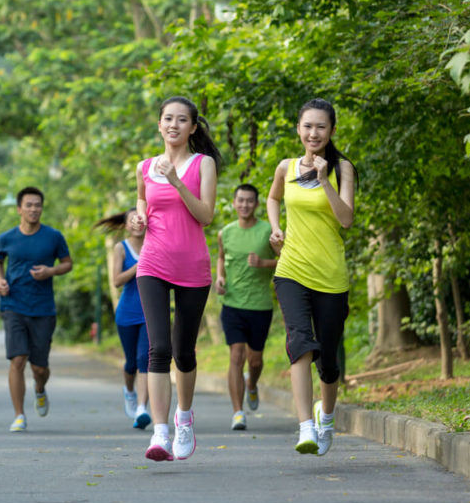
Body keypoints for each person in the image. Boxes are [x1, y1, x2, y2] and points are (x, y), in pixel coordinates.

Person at [129, 97, 221, 462]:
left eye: (182, 120)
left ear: (193, 128)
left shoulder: (204, 164)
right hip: (152, 263)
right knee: (159, 348)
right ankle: (160, 432)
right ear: (159, 124)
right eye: (168, 118)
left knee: (183, 352)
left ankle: (184, 419)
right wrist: (138, 219)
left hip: (192, 267)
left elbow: (207, 214)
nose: (174, 125)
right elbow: (141, 202)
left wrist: (177, 183)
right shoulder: (145, 166)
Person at [266, 98, 355, 456]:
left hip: (331, 275)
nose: (313, 133)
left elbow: (346, 219)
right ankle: (305, 427)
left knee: (328, 361)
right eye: (307, 126)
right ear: (298, 129)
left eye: (321, 126)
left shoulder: (342, 168)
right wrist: (275, 229)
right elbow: (273, 199)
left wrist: (324, 181)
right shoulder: (285, 167)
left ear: (331, 130)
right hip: (291, 270)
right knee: (300, 343)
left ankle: (326, 418)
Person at [0, 186, 73, 433]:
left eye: (37, 205)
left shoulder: (53, 237)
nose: (33, 209)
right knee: (17, 359)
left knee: (39, 367)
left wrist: (51, 271)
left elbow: (67, 263)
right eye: (29, 205)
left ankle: (40, 388)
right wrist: (0, 280)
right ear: (19, 209)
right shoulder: (6, 238)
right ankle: (19, 415)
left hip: (43, 307)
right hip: (13, 305)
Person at [215, 183, 277, 431]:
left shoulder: (267, 231)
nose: (244, 205)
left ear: (257, 204)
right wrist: (220, 277)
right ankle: (238, 412)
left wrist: (264, 263)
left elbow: (285, 259)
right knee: (236, 355)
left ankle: (252, 385)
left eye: (250, 201)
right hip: (232, 303)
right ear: (234, 203)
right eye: (240, 200)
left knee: (255, 361)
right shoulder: (225, 232)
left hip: (260, 305)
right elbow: (221, 256)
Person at [95, 210, 151, 430]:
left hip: (150, 312)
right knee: (130, 363)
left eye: (141, 219)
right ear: (126, 225)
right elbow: (117, 281)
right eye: (132, 220)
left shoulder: (155, 244)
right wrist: (139, 266)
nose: (137, 223)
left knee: (144, 359)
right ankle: (129, 391)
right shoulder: (121, 248)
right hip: (127, 312)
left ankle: (141, 409)